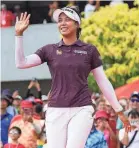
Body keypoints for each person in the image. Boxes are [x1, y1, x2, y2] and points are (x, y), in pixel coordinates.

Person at [15, 6, 130, 148]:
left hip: (82, 108)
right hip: (55, 109)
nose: (62, 23)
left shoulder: (89, 50)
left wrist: (119, 110)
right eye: (60, 20)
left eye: (67, 19)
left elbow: (103, 82)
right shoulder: (49, 50)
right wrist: (18, 35)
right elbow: (21, 63)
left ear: (77, 24)